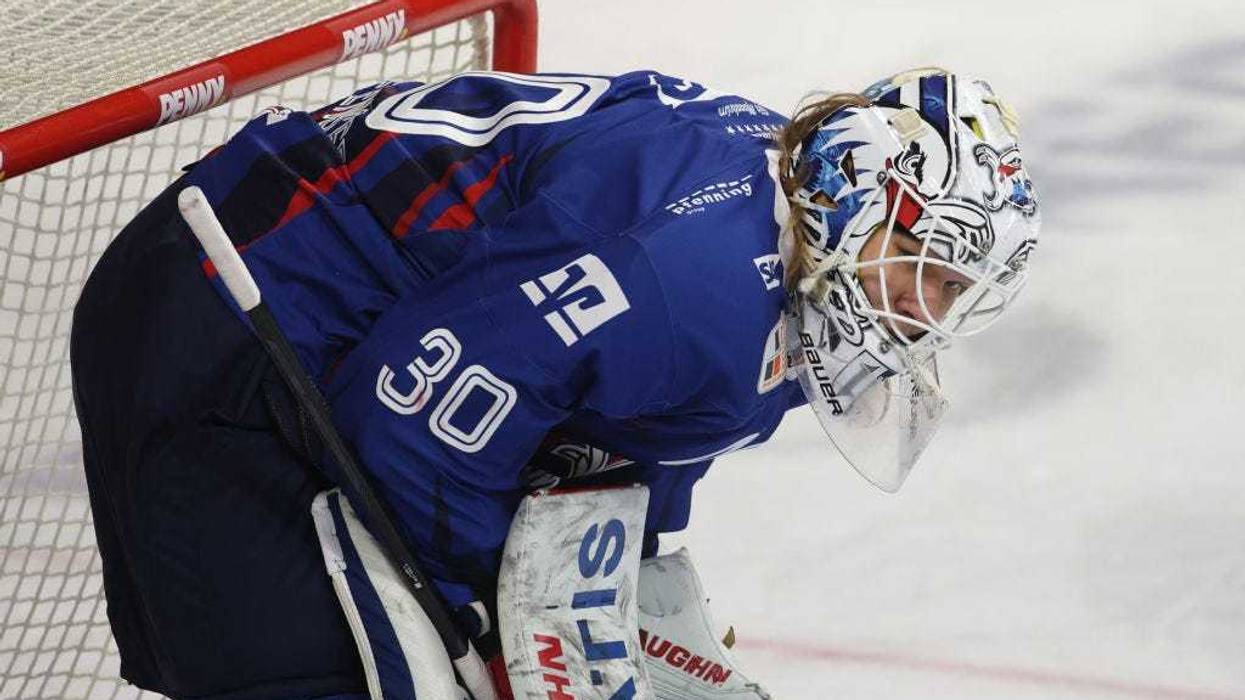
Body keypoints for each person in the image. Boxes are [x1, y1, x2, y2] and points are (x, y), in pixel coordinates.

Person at [70, 67, 1039, 699]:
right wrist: (485, 622)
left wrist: (623, 577)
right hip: (226, 299)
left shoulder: (804, 262)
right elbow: (410, 413)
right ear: (858, 187)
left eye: (955, 291)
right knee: (325, 677)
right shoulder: (687, 277)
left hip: (342, 327)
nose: (925, 312)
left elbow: (628, 423)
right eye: (926, 262)